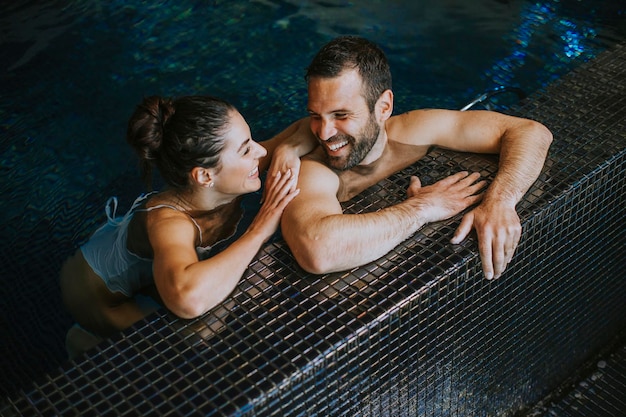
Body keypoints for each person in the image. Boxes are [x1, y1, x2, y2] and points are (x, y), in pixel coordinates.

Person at [278, 35, 553, 279]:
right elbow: (319, 249)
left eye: (341, 115)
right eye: (315, 116)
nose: (324, 133)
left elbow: (531, 132)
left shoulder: (415, 129)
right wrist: (422, 208)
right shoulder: (312, 170)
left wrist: (501, 202)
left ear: (384, 107)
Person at [60, 95, 315, 356]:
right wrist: (260, 230)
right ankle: (85, 338)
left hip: (147, 265)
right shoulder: (168, 222)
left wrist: (288, 150)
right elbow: (188, 299)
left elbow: (310, 126)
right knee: (201, 330)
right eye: (246, 149)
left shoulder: (232, 174)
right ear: (205, 175)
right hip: (96, 293)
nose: (261, 151)